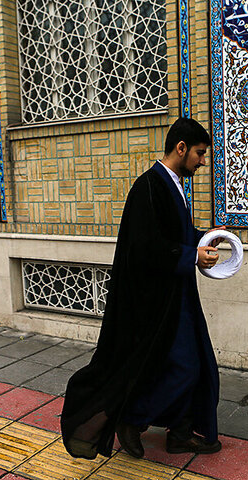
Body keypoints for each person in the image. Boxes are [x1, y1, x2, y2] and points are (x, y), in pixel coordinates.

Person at [61, 117, 225, 461]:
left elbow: (174, 235)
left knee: (190, 362)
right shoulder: (148, 186)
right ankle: (132, 420)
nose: (202, 160)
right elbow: (145, 246)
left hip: (177, 294)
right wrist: (191, 255)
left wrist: (206, 238)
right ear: (180, 148)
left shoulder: (172, 184)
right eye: (199, 153)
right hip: (157, 301)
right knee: (186, 367)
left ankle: (179, 433)